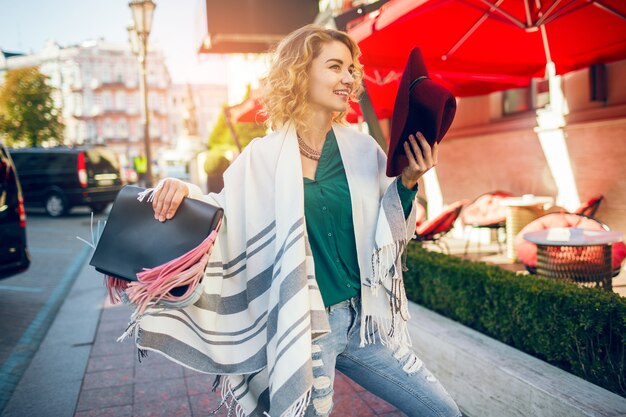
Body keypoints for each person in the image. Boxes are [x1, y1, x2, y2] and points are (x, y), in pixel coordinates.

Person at [142, 24, 461, 417]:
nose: (348, 78)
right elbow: (222, 215)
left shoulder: (364, 150)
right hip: (304, 327)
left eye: (350, 69)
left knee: (442, 410)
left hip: (367, 323)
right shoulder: (261, 157)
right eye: (335, 67)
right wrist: (181, 190)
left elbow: (389, 231)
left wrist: (409, 181)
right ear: (300, 72)